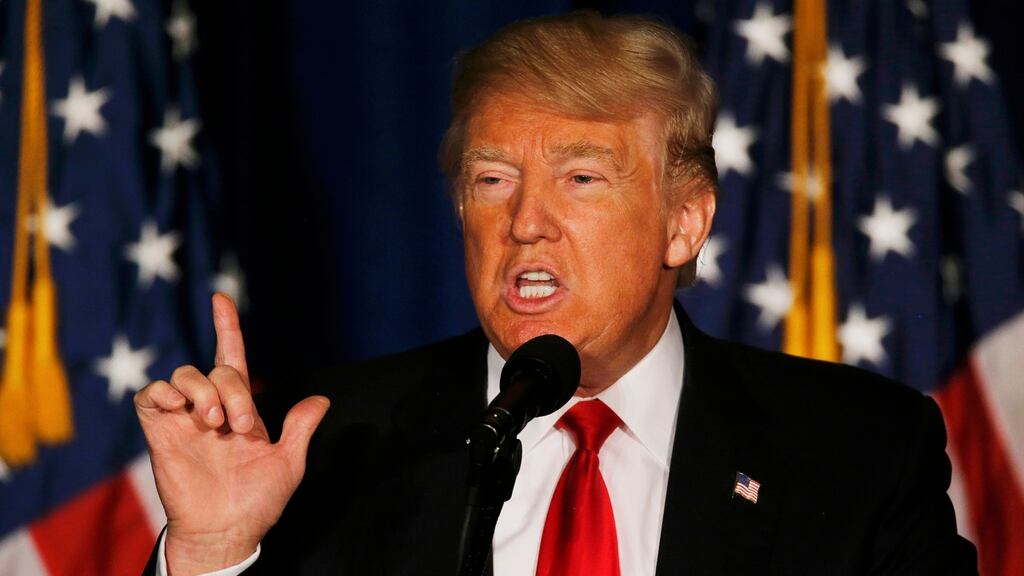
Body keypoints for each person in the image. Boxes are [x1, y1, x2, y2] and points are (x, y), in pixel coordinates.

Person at [136, 12, 977, 576]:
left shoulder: (859, 454)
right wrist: (213, 553)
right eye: (492, 179)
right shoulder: (325, 449)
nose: (525, 222)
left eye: (581, 177)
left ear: (684, 223)